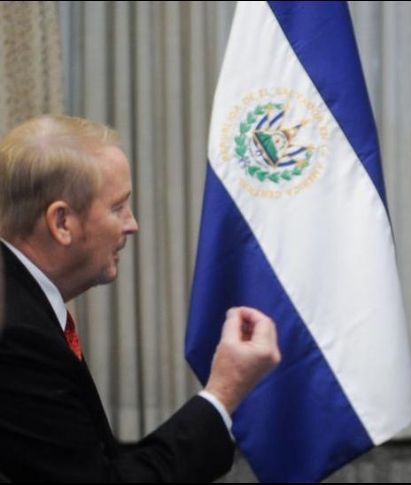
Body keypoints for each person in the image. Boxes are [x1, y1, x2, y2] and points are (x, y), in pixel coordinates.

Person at [0, 115, 281, 482]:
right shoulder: (18, 336)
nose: (133, 224)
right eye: (117, 207)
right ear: (62, 223)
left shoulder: (24, 299)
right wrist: (224, 392)